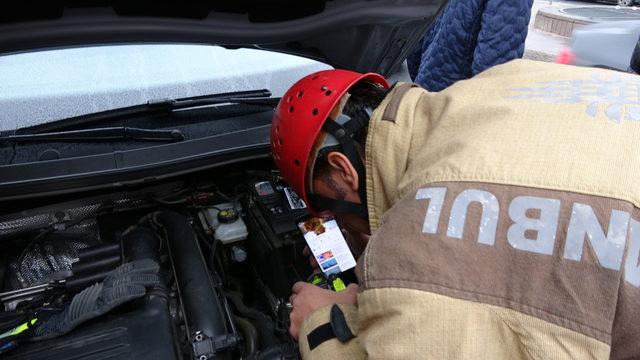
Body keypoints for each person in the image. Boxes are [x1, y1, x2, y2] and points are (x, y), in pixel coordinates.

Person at [271, 61, 640, 359]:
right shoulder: (502, 78)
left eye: (323, 204)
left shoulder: (411, 259)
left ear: (343, 169)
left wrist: (321, 320)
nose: (334, 220)